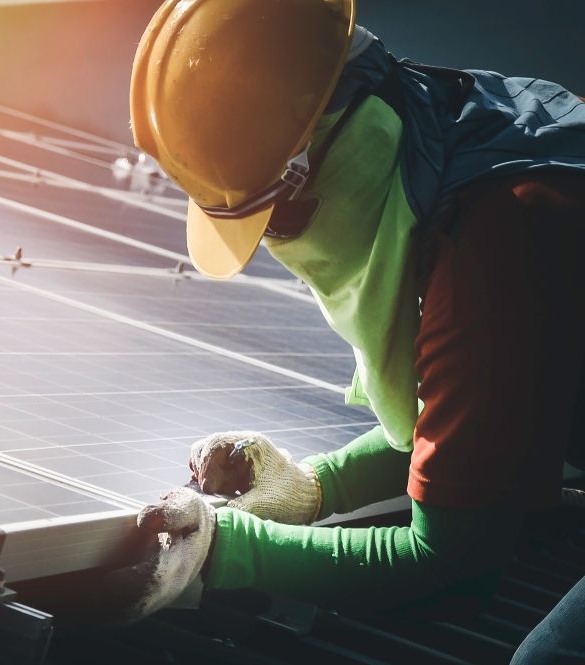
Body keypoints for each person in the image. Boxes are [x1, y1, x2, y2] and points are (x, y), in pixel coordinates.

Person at [103, 0, 585, 626]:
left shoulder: (498, 247)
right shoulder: (468, 131)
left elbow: (451, 565)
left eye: (276, 216)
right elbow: (475, 423)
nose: (278, 245)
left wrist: (225, 550)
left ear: (330, 148)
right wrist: (318, 486)